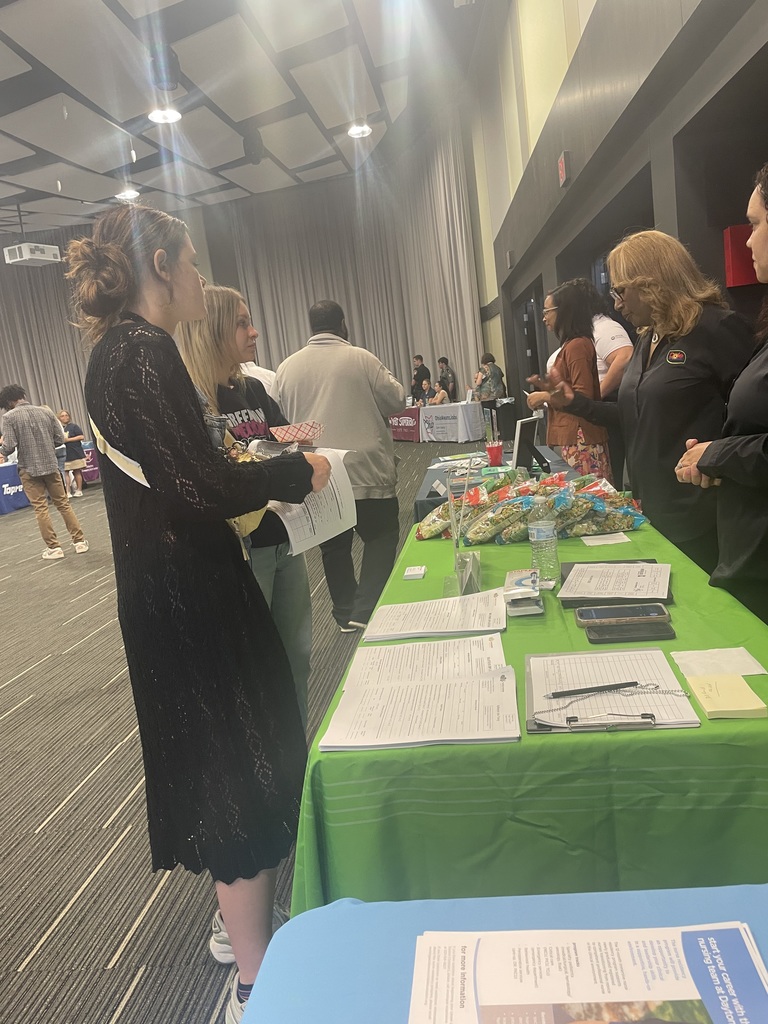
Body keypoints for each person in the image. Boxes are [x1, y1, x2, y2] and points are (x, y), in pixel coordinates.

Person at [65, 204, 331, 1024]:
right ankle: (255, 980)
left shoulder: (123, 353)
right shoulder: (140, 353)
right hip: (187, 588)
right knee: (234, 761)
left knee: (227, 755)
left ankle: (246, 940)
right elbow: (199, 487)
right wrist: (296, 472)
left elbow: (185, 473)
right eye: (188, 262)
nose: (197, 279)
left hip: (172, 584)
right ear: (159, 265)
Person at [530, 230, 754, 573]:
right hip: (649, 511)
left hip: (704, 521)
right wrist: (574, 402)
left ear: (653, 283)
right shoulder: (647, 337)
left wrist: (718, 454)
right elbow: (631, 416)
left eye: (621, 291)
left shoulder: (717, 329)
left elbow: (754, 419)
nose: (616, 304)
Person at [177, 285, 313, 726]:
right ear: (213, 329)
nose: (254, 332)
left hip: (284, 537)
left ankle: (298, 752)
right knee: (254, 667)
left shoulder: (253, 388)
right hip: (240, 551)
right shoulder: (192, 400)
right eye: (241, 323)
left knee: (297, 655)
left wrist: (300, 445)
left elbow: (278, 442)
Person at [273, 299, 405, 631]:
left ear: (311, 326)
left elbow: (280, 418)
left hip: (318, 471)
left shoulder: (286, 368)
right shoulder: (361, 358)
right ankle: (365, 609)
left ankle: (346, 612)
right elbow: (397, 401)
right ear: (343, 324)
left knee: (334, 546)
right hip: (366, 469)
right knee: (381, 536)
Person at [675, 162, 768, 622]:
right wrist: (715, 455)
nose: (747, 239)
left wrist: (719, 455)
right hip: (746, 556)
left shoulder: (719, 328)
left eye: (755, 223)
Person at [527, 282, 611, 479]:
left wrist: (544, 396)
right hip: (576, 438)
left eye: (547, 311)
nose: (544, 317)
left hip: (582, 438)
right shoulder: (573, 344)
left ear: (565, 311)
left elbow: (582, 397)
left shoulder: (577, 345)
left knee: (586, 499)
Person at [0, 385, 88, 559]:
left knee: (41, 509)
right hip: (51, 465)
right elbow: (59, 439)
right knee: (63, 505)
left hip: (28, 469)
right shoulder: (46, 412)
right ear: (23, 395)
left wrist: (2, 452)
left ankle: (54, 548)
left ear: (9, 402)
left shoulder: (9, 417)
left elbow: (8, 446)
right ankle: (79, 542)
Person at [58, 409, 86, 495]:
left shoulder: (74, 426)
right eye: (62, 416)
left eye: (66, 415)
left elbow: (81, 437)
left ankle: (79, 490)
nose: (65, 417)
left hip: (75, 452)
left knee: (76, 471)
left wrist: (68, 440)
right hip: (64, 453)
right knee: (65, 472)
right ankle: (68, 491)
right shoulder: (59, 429)